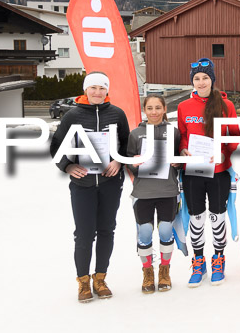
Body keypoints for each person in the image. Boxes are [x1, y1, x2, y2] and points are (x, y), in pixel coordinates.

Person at [49, 71, 130, 303]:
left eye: (102, 88)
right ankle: (83, 281)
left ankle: (100, 278)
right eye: (93, 88)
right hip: (82, 184)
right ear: (86, 90)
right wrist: (67, 167)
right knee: (84, 234)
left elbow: (126, 144)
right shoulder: (72, 115)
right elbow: (56, 147)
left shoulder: (117, 114)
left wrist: (118, 161)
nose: (97, 92)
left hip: (110, 182)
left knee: (106, 231)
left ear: (107, 90)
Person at [177, 58, 240, 286]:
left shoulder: (226, 105)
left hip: (218, 170)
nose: (201, 82)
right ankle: (198, 261)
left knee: (217, 216)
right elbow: (183, 134)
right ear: (192, 82)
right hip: (193, 170)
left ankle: (219, 259)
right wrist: (183, 148)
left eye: (205, 78)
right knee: (196, 217)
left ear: (212, 80)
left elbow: (234, 136)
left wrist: (226, 154)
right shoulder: (184, 107)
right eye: (197, 78)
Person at [127, 95, 181, 293]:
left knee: (166, 229)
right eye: (150, 108)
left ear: (165, 108)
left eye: (158, 107)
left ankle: (164, 270)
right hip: (143, 191)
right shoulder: (135, 134)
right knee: (145, 232)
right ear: (144, 110)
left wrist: (178, 162)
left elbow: (180, 157)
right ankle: (147, 272)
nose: (154, 112)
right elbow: (128, 161)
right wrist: (133, 165)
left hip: (167, 189)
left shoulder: (173, 132)